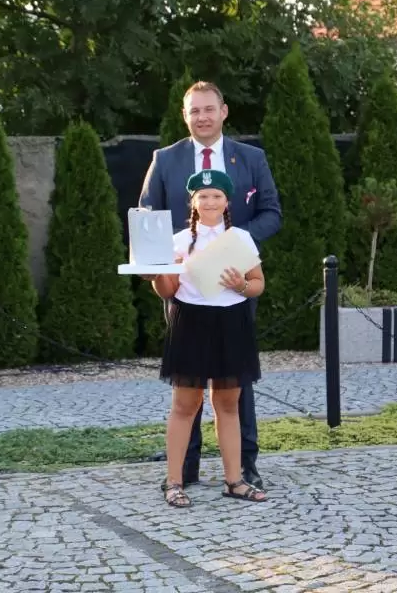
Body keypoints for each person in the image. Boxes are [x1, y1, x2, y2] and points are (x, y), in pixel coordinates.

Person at [139, 81, 282, 490]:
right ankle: (184, 469)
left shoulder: (251, 158)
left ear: (224, 112)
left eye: (208, 109)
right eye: (194, 110)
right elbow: (147, 215)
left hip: (233, 285)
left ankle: (244, 466)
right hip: (184, 291)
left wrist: (233, 247)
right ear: (185, 116)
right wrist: (158, 261)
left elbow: (272, 213)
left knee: (235, 382)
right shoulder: (165, 159)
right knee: (188, 382)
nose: (202, 117)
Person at [150, 169, 267, 507]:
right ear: (193, 202)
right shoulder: (178, 241)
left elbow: (258, 283)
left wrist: (240, 286)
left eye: (217, 196)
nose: (210, 202)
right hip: (191, 322)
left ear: (227, 201)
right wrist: (158, 273)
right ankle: (174, 482)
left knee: (228, 405)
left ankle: (234, 481)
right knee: (185, 405)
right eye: (203, 196)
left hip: (232, 322)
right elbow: (167, 291)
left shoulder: (241, 238)